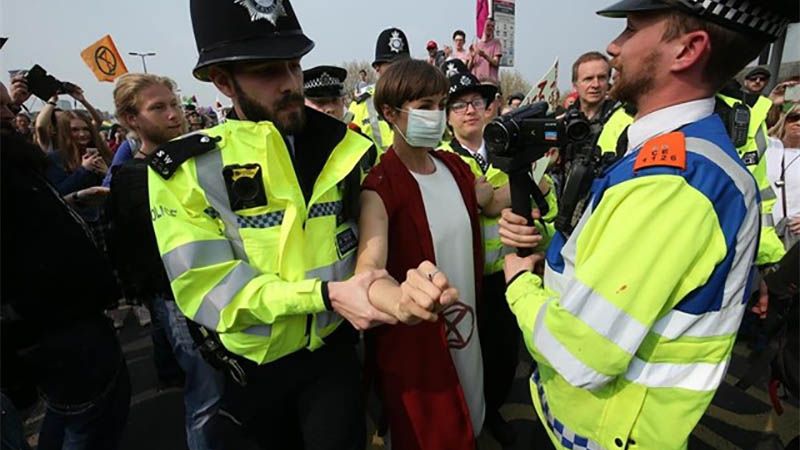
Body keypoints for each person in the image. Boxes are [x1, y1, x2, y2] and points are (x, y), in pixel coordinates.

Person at [498, 1, 793, 448]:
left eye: (632, 29)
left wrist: (520, 283)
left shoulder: (673, 185)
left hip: (605, 432)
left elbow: (582, 353)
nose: (613, 47)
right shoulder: (681, 155)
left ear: (687, 50)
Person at [148, 1, 391, 448]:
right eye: (266, 71)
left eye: (294, 66)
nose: (290, 84)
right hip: (255, 371)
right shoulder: (185, 169)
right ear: (223, 82)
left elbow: (366, 217)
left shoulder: (345, 146)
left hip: (332, 354)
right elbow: (210, 288)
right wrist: (324, 295)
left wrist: (371, 274)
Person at [356, 58, 493, 450]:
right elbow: (369, 267)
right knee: (431, 432)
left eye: (439, 104)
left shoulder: (453, 166)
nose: (436, 116)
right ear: (389, 113)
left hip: (467, 329)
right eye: (424, 107)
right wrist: (400, 301)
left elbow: (487, 197)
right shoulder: (381, 186)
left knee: (472, 413)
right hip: (418, 346)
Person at [1, 81, 130, 450]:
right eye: (4, 107)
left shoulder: (17, 165)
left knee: (77, 413)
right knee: (90, 420)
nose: (11, 115)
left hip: (73, 320)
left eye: (13, 106)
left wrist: (73, 198)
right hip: (52, 329)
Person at [106, 73, 223, 450]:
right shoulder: (133, 178)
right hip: (177, 303)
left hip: (219, 290)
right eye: (158, 108)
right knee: (206, 398)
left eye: (174, 104)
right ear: (130, 119)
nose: (174, 115)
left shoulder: (192, 162)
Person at [438, 60, 521, 446]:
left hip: (508, 274)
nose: (469, 110)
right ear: (447, 117)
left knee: (504, 355)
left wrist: (494, 199)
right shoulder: (439, 159)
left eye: (476, 101)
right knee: (464, 355)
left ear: (489, 107)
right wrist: (502, 199)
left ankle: (492, 411)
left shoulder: (510, 149)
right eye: (458, 105)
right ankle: (468, 417)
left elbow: (534, 198)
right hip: (462, 280)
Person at [348, 27, 410, 153]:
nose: (400, 72)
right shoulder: (360, 105)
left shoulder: (422, 99)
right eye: (393, 67)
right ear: (377, 68)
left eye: (404, 66)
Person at [767, 105, 800, 249]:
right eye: (794, 118)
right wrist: (771, 100)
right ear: (784, 120)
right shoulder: (768, 146)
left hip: (794, 232)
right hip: (764, 230)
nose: (798, 123)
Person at [569, 51, 616, 128]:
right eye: (588, 79)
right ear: (575, 85)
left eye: (602, 78)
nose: (596, 85)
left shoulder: (623, 119)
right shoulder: (562, 122)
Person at [471, 17, 502, 84]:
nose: (490, 28)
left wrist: (484, 55)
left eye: (492, 26)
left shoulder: (496, 43)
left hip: (490, 82)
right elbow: (468, 67)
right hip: (477, 81)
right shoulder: (475, 44)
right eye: (488, 25)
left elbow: (496, 62)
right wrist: (471, 57)